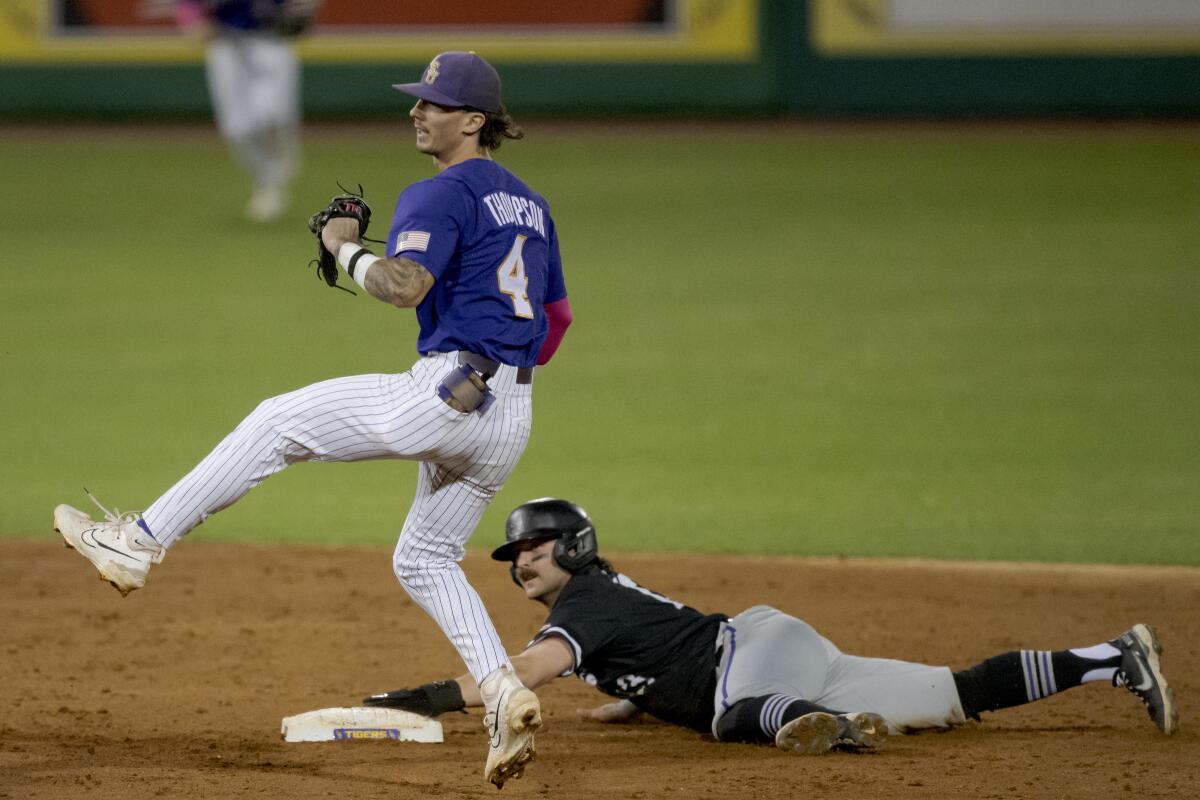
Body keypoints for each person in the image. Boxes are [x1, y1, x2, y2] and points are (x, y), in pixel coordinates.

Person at [54, 51, 573, 788]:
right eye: (417, 101)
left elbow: (403, 285)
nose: (417, 112)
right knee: (424, 558)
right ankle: (502, 691)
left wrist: (344, 247)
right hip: (509, 413)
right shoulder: (531, 204)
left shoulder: (443, 192)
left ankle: (136, 543)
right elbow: (556, 320)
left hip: (445, 393)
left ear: (474, 120)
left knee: (275, 422)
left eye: (434, 103)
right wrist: (501, 373)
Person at [362, 498, 1179, 755]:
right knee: (951, 695)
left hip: (749, 663)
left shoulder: (586, 605)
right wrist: (638, 696)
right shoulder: (596, 603)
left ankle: (823, 728)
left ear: (573, 548)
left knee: (729, 718)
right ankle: (1112, 659)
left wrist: (414, 699)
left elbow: (515, 682)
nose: (520, 562)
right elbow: (649, 646)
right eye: (514, 553)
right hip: (773, 650)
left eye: (534, 547)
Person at [148, 0, 319, 222]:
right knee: (237, 128)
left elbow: (303, 8)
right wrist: (192, 20)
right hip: (225, 47)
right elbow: (190, 11)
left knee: (272, 116)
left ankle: (278, 174)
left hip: (269, 43)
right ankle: (265, 184)